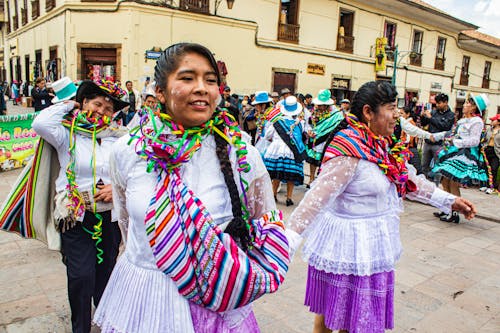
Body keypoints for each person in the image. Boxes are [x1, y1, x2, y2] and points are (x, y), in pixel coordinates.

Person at [93, 42, 289, 333]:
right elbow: (127, 225)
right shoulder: (126, 150)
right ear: (159, 91)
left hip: (213, 299)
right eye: (187, 78)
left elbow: (267, 225)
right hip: (144, 297)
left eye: (210, 80)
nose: (202, 88)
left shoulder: (241, 153)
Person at [285, 81, 476, 333]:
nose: (397, 114)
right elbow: (315, 201)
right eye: (390, 107)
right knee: (329, 321)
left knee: (354, 321)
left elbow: (410, 181)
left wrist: (450, 201)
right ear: (368, 112)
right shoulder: (348, 149)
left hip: (372, 249)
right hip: (345, 250)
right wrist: (284, 244)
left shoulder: (380, 145)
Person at [29, 79, 128, 332]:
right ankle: (80, 328)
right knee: (81, 275)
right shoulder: (66, 134)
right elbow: (40, 123)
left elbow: (129, 174)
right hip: (75, 216)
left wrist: (115, 190)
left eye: (108, 109)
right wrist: (69, 103)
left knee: (105, 273)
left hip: (109, 218)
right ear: (83, 103)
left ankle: (106, 322)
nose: (102, 112)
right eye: (97, 104)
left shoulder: (117, 139)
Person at [432, 93, 490, 223]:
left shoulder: (477, 121)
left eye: (467, 103)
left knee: (452, 182)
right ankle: (447, 208)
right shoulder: (462, 121)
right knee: (445, 181)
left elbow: (475, 141)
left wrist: (457, 142)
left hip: (465, 154)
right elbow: (453, 133)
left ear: (475, 107)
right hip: (455, 151)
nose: (464, 105)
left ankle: (454, 213)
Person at [262, 95, 306, 206]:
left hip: (277, 150)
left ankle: (274, 194)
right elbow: (301, 137)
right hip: (292, 152)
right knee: (291, 175)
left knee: (277, 175)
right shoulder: (300, 123)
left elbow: (267, 136)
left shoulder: (277, 122)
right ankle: (289, 197)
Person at [305, 89, 343, 186]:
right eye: (319, 104)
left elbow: (338, 127)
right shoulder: (314, 111)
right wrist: (309, 131)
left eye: (322, 105)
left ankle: (320, 180)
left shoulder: (336, 114)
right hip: (314, 139)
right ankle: (311, 178)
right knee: (313, 160)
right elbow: (309, 123)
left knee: (323, 161)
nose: (320, 107)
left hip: (327, 140)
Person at [420, 93, 455, 178]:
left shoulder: (450, 115)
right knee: (424, 166)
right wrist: (423, 117)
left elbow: (445, 127)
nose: (437, 105)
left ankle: (436, 186)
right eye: (437, 103)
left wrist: (431, 118)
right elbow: (424, 123)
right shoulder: (434, 112)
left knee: (438, 167)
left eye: (439, 103)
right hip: (428, 143)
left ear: (446, 102)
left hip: (439, 145)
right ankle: (424, 185)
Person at [484, 114, 500, 192]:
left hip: (496, 152)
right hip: (487, 150)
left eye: (493, 120)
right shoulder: (489, 129)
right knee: (486, 168)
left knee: (494, 169)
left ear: (498, 122)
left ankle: (492, 186)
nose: (491, 121)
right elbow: (484, 139)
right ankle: (486, 185)